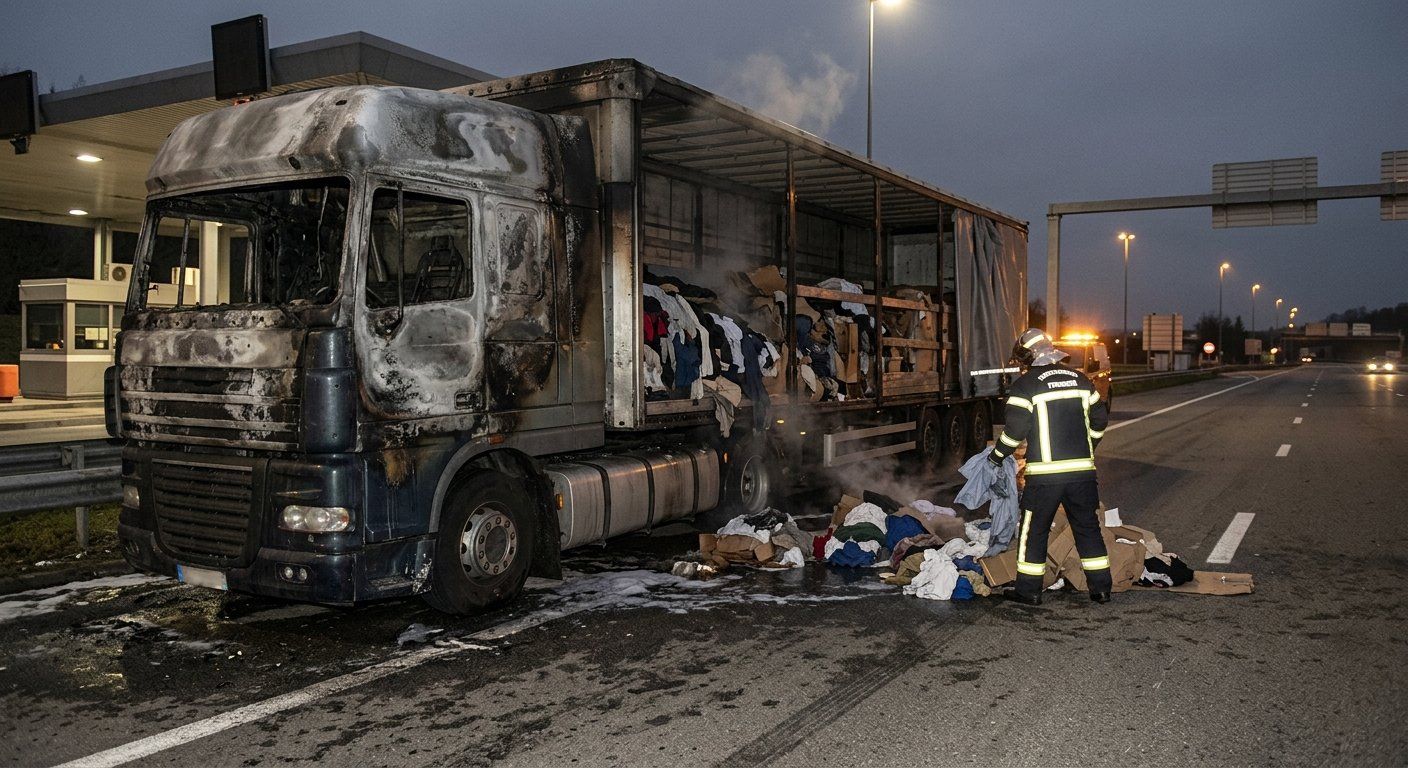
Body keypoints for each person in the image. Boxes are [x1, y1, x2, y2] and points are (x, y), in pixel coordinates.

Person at [987, 328, 1111, 605]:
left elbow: (1015, 431)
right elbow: (1100, 420)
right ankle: (1101, 589)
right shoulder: (1081, 379)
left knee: (1035, 531)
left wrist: (996, 456)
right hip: (1082, 474)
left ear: (1028, 356)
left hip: (1045, 477)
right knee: (1088, 528)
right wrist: (1088, 446)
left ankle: (1028, 591)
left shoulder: (1026, 385)